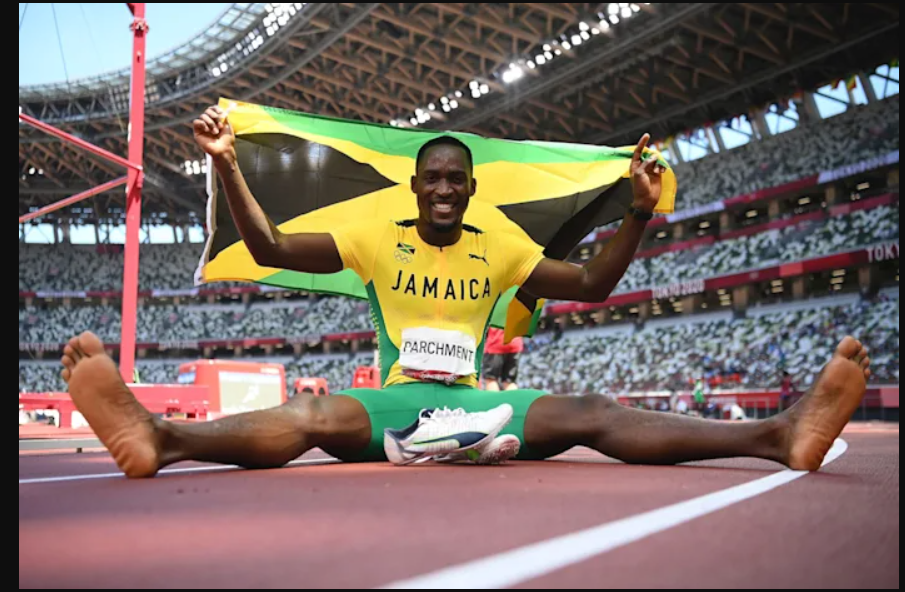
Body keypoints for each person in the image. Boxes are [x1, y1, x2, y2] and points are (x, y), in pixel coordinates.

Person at [59, 105, 871, 478]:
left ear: (469, 187)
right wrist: (227, 163)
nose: (443, 190)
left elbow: (591, 283)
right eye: (432, 180)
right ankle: (160, 438)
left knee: (589, 412)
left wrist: (636, 212)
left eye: (456, 181)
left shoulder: (500, 244)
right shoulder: (379, 233)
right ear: (415, 187)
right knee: (310, 416)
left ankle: (777, 437)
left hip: (480, 410)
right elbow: (269, 244)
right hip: (397, 405)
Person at [483, 327, 524, 391]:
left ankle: (494, 401)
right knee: (509, 381)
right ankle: (511, 401)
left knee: (491, 379)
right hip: (515, 342)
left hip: (496, 342)